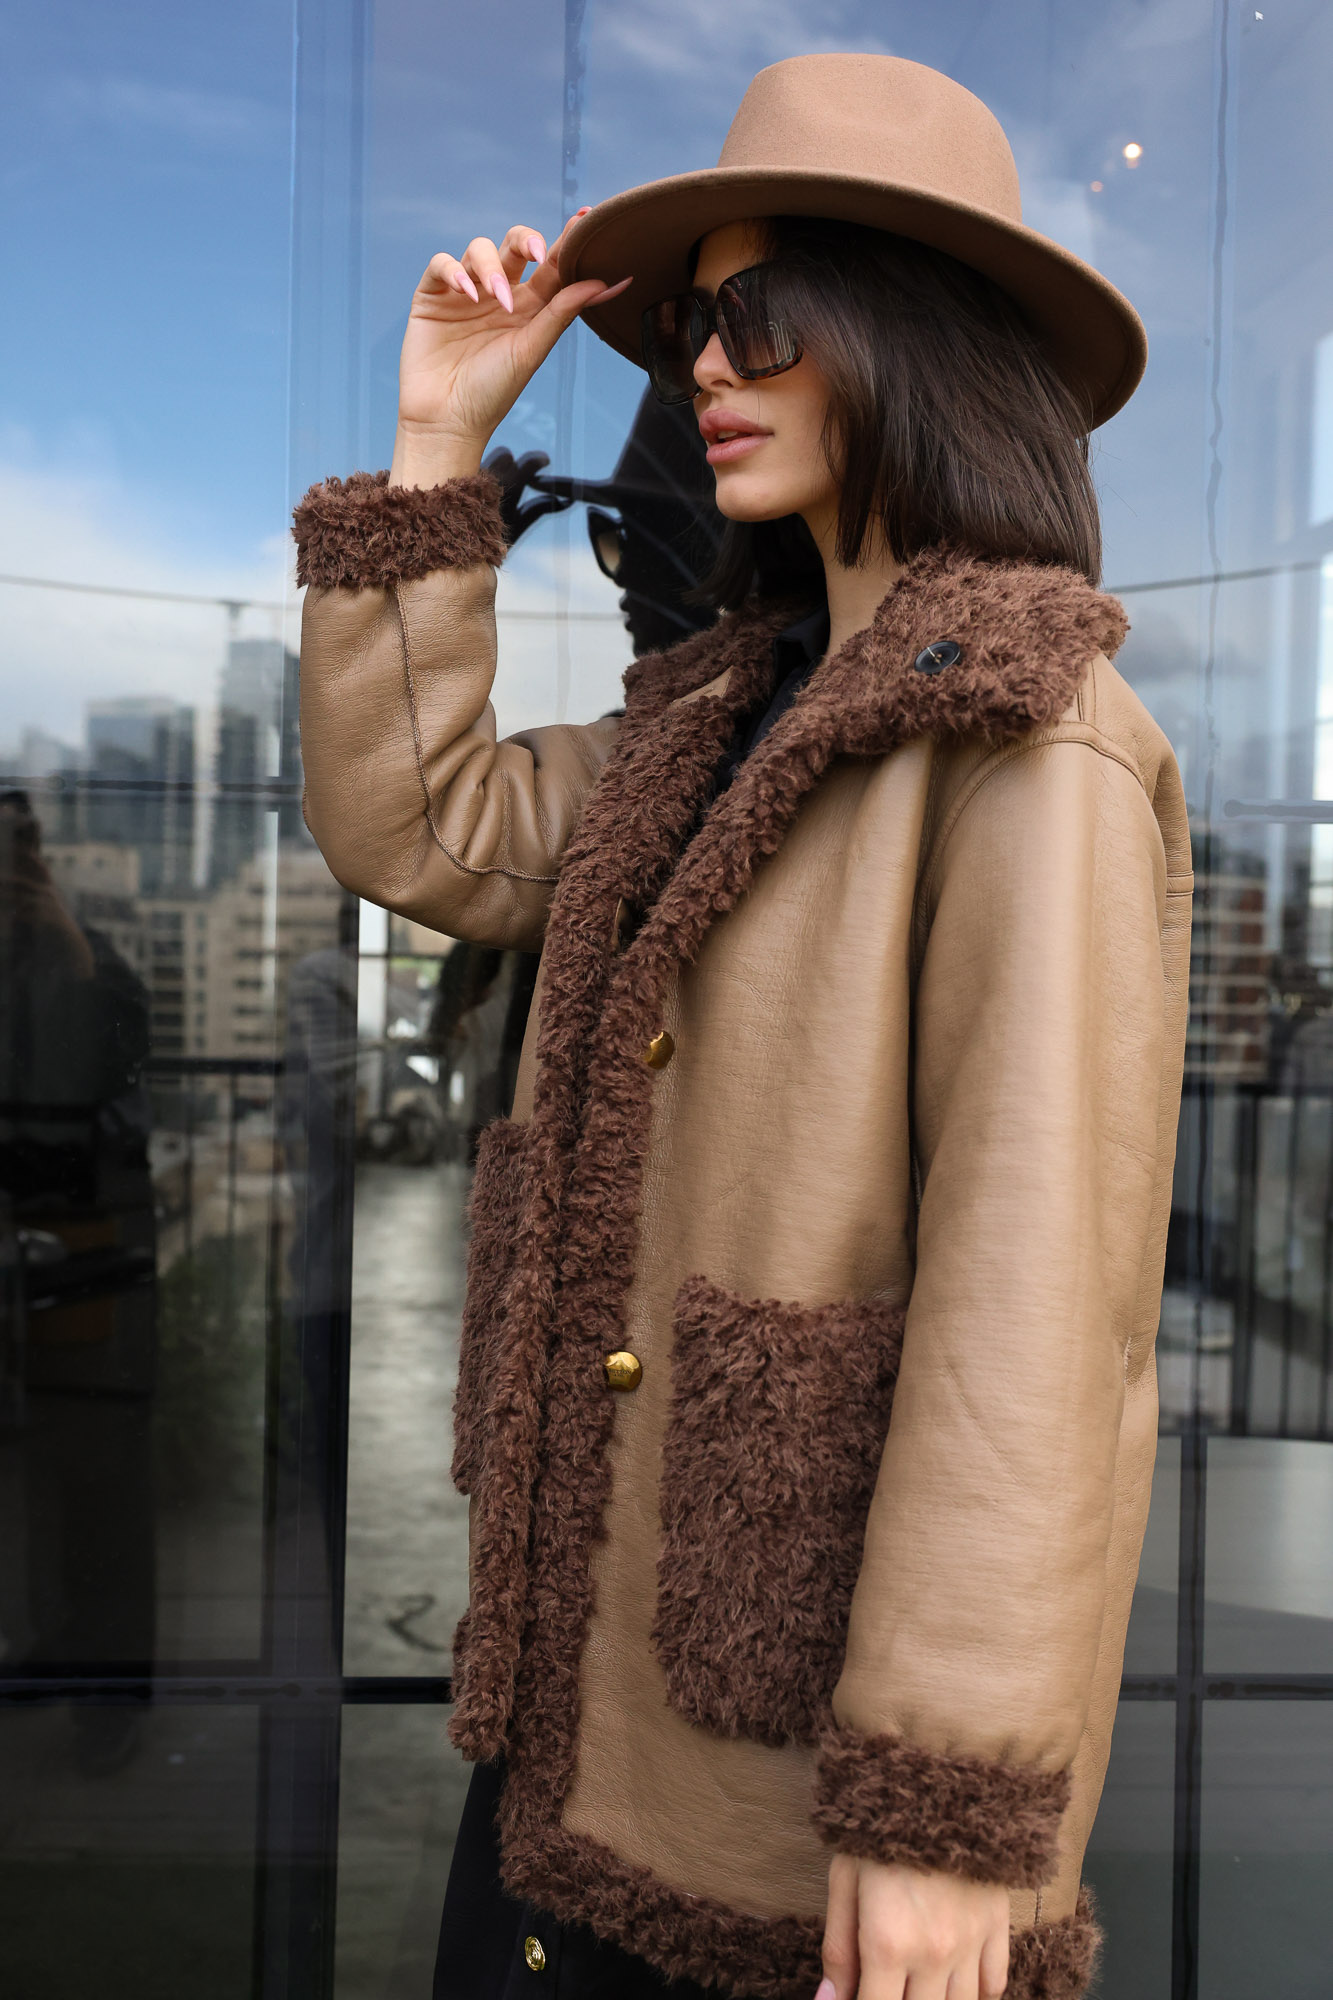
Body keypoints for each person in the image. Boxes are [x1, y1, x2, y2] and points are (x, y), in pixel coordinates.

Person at [293, 53, 1191, 2000]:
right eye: (695, 321)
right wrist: (437, 444)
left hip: (804, 1802)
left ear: (909, 331)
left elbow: (1041, 1318)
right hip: (576, 1727)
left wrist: (946, 1805)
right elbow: (416, 825)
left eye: (758, 313)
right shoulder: (713, 710)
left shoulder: (1028, 739)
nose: (705, 362)